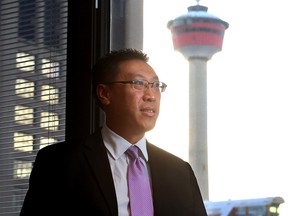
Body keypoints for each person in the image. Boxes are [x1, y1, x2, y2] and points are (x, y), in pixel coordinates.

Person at [20, 48, 207, 216]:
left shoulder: (180, 172)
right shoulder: (59, 162)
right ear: (105, 94)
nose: (151, 95)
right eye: (139, 83)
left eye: (156, 85)